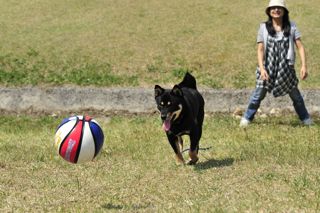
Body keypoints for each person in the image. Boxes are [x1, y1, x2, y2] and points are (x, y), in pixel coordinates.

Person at [240, 0, 313, 127]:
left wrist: (303, 66)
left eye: (279, 8)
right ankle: (247, 118)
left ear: (284, 11)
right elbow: (260, 49)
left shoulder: (292, 26)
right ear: (269, 11)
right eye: (273, 8)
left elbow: (300, 47)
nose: (276, 10)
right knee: (258, 94)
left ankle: (306, 119)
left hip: (286, 69)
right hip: (267, 68)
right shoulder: (263, 27)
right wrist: (262, 69)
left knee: (296, 96)